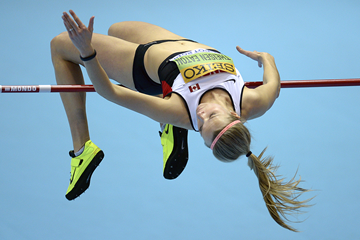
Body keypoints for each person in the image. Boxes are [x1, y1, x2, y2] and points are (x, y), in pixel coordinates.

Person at [51, 10, 312, 232]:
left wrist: (87, 52)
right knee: (116, 29)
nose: (199, 116)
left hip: (148, 67)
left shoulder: (181, 112)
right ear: (235, 115)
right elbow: (273, 85)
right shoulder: (252, 103)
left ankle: (82, 149)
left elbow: (111, 92)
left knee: (60, 45)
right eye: (210, 116)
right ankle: (170, 131)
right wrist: (265, 58)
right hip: (178, 45)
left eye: (200, 130)